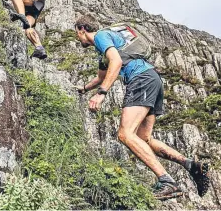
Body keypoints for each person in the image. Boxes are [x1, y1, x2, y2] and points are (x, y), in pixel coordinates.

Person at [73, 14, 210, 200]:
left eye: (76, 33)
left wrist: (101, 94)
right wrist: (84, 88)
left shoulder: (100, 37)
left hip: (141, 79)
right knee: (143, 138)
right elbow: (100, 76)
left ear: (82, 29)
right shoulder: (105, 49)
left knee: (125, 134)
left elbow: (117, 62)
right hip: (152, 78)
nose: (77, 37)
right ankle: (191, 166)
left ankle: (167, 181)